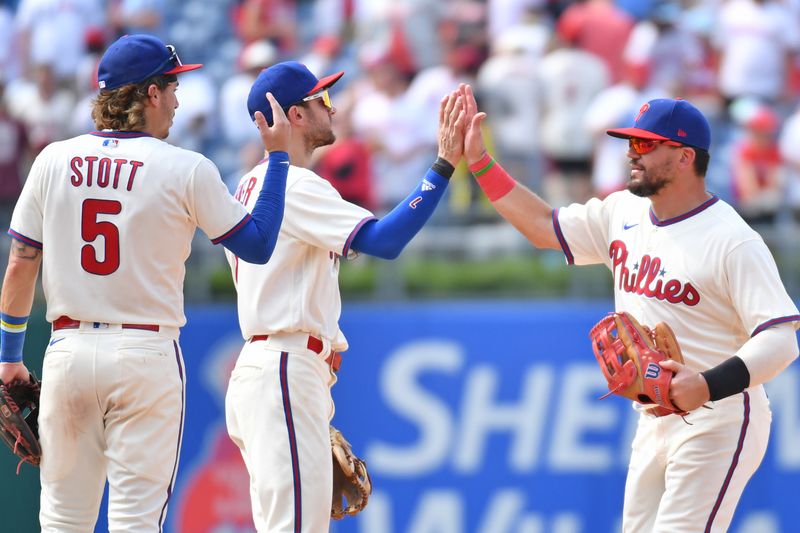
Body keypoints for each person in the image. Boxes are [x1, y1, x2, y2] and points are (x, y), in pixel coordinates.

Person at [458, 87, 799, 532]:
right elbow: (544, 227)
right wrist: (481, 162)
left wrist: (708, 385)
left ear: (684, 157)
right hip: (653, 418)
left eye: (644, 144)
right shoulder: (623, 212)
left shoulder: (731, 240)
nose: (630, 155)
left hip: (719, 418)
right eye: (630, 143)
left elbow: (780, 339)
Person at [0, 34, 290, 532]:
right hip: (144, 355)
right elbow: (259, 245)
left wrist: (9, 357)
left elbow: (22, 263)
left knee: (62, 523)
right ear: (149, 94)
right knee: (136, 523)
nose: (177, 100)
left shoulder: (53, 159)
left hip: (67, 350)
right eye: (172, 86)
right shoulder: (185, 168)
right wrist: (279, 159)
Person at [224, 61, 466, 532]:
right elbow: (385, 241)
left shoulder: (253, 182)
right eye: (323, 100)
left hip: (281, 367)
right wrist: (442, 167)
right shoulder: (294, 184)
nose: (333, 109)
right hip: (284, 367)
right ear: (294, 115)